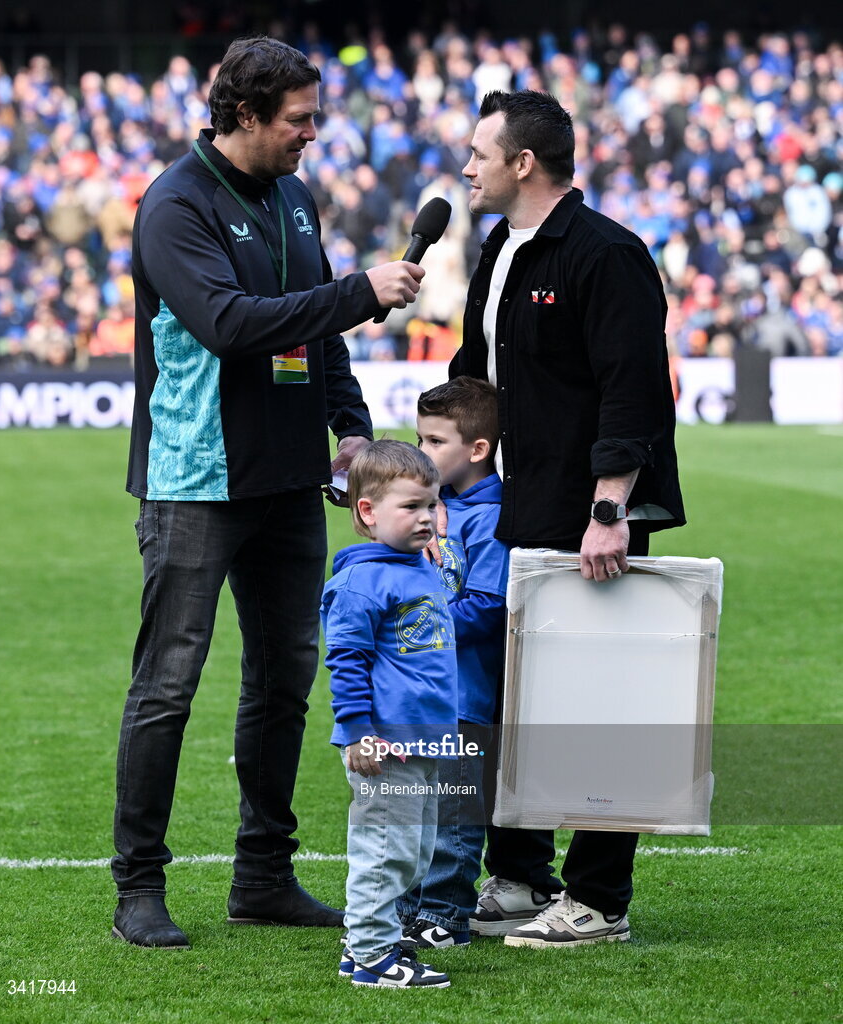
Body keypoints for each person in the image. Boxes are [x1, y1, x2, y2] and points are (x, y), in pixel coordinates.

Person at [112, 36, 426, 949]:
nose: (312, 136)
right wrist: (362, 294)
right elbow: (227, 325)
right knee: (167, 686)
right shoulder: (174, 205)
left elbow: (315, 322)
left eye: (314, 118)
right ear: (243, 115)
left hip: (292, 481)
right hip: (197, 481)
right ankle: (138, 886)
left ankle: (262, 877)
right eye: (298, 120)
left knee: (287, 679)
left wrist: (352, 425)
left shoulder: (294, 195)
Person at [451, 89, 685, 947]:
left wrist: (609, 508)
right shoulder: (497, 249)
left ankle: (598, 899)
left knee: (595, 707)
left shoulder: (607, 254)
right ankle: (517, 878)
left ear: (524, 163)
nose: (466, 166)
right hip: (510, 510)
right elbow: (476, 374)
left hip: (589, 516)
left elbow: (633, 390)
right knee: (520, 705)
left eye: (480, 152)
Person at [322, 440, 456, 988]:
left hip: (425, 739)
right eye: (410, 507)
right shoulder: (362, 581)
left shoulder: (416, 566)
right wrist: (359, 733)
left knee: (413, 852)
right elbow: (346, 660)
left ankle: (368, 945)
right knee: (385, 850)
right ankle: (371, 956)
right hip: (385, 744)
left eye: (431, 504)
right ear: (367, 512)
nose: (425, 517)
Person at [397, 376, 510, 948]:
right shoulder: (424, 509)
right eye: (419, 438)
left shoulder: (493, 520)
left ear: (478, 449)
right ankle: (413, 908)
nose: (422, 453)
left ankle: (444, 916)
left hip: (465, 699)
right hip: (416, 697)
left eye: (435, 441)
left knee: (454, 820)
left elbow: (488, 606)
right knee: (415, 815)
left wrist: (415, 628)